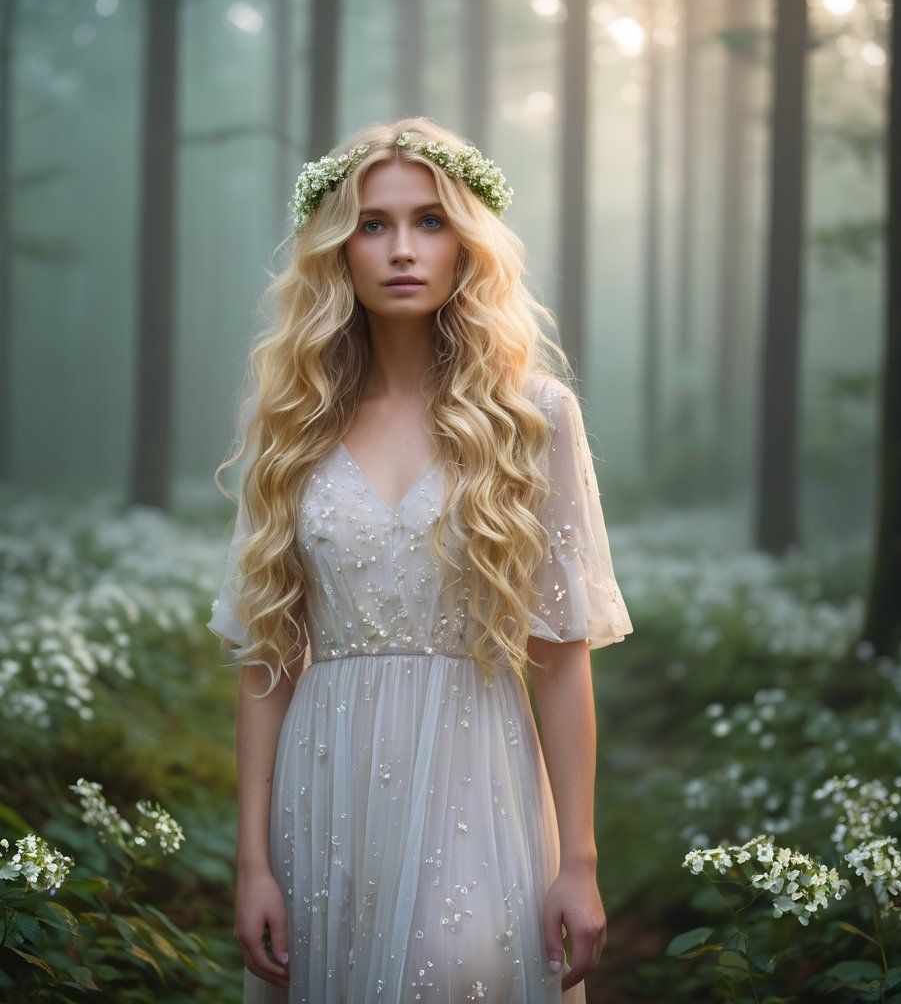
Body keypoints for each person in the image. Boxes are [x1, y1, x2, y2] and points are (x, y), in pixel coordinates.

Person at [207, 116, 634, 1004]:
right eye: (373, 224)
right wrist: (252, 863)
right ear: (338, 248)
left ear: (467, 242)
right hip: (323, 794)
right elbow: (268, 656)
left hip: (479, 780)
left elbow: (559, 656)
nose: (402, 248)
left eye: (430, 221)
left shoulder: (534, 415)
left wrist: (581, 861)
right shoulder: (290, 421)